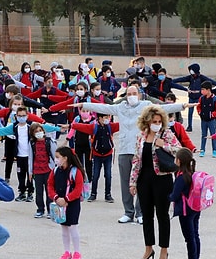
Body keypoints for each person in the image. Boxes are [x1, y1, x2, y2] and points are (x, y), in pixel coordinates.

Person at [74, 86, 191, 224]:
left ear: (139, 95)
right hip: (124, 149)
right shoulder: (120, 107)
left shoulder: (145, 105)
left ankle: (139, 212)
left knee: (140, 182)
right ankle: (128, 212)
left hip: (140, 150)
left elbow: (163, 108)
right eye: (129, 94)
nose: (131, 96)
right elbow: (103, 107)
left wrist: (183, 105)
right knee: (126, 183)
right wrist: (83, 104)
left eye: (134, 93)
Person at [129, 105, 181, 259]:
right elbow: (136, 160)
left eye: (159, 121)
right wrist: (132, 182)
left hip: (162, 179)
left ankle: (164, 249)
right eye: (154, 121)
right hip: (144, 179)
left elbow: (180, 151)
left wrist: (163, 145)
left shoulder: (167, 134)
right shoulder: (141, 136)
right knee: (147, 215)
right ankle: (148, 248)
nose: (157, 124)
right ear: (147, 121)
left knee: (162, 215)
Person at [0, 106, 65, 202]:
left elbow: (44, 127)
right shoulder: (14, 127)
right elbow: (2, 131)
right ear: (16, 116)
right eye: (19, 116)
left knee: (30, 175)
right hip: (19, 156)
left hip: (30, 156)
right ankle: (21, 192)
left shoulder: (31, 126)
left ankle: (30, 192)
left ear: (27, 116)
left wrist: (58, 129)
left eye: (23, 115)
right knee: (20, 175)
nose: (21, 117)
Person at [48, 146, 85, 259]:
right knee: (64, 228)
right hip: (59, 203)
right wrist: (56, 198)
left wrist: (67, 199)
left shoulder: (75, 171)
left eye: (58, 157)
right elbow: (50, 185)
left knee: (73, 227)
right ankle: (67, 252)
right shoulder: (55, 171)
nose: (56, 159)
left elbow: (78, 189)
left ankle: (77, 252)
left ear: (65, 158)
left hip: (72, 204)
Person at [72, 113, 119, 203]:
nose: (108, 119)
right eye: (106, 117)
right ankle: (93, 194)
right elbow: (82, 127)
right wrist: (71, 125)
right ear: (100, 118)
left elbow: (122, 125)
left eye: (108, 117)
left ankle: (108, 195)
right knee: (95, 175)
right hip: (97, 155)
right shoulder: (94, 127)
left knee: (108, 175)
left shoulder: (110, 126)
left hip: (108, 154)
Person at [169, 148, 201, 259]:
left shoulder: (181, 177)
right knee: (195, 235)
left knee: (189, 237)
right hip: (195, 208)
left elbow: (174, 195)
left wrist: (166, 197)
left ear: (179, 161)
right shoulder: (192, 173)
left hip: (185, 210)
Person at [172, 63, 216, 132]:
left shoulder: (201, 77)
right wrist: (171, 80)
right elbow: (181, 79)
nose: (191, 72)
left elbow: (210, 81)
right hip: (191, 97)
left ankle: (204, 125)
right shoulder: (190, 77)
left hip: (199, 98)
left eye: (192, 70)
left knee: (202, 112)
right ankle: (189, 126)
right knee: (190, 112)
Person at [28, 123, 56, 218]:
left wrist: (55, 169)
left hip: (48, 169)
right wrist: (30, 171)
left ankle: (49, 210)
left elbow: (54, 155)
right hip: (37, 170)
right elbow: (30, 158)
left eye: (40, 131)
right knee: (39, 192)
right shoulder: (32, 143)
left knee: (49, 191)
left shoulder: (49, 141)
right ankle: (40, 209)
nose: (39, 133)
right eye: (36, 131)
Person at [196, 81, 216, 158]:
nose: (201, 91)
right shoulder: (201, 98)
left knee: (213, 135)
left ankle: (215, 150)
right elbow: (198, 107)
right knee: (203, 135)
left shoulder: (215, 99)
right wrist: (200, 113)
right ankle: (202, 150)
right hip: (203, 120)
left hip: (211, 120)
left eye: (203, 89)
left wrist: (212, 115)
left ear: (208, 90)